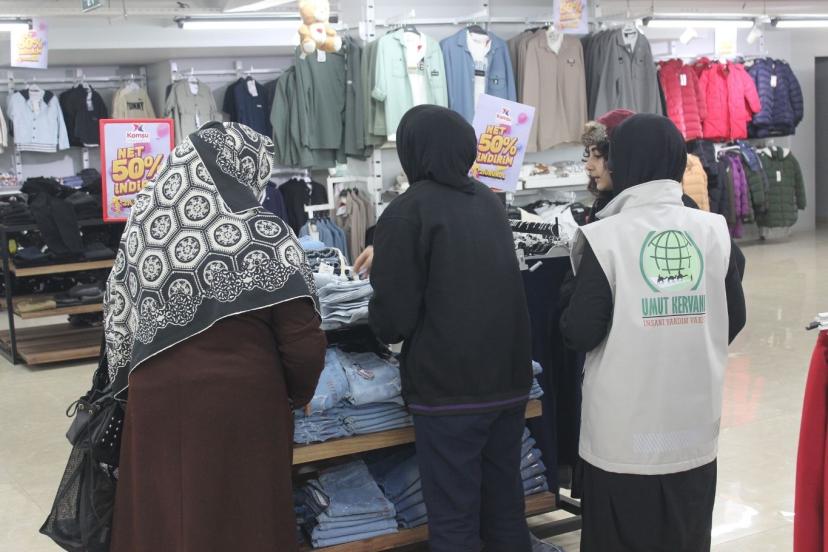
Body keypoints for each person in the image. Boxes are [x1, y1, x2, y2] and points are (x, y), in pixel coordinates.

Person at [106, 122, 327, 552]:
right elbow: (302, 341)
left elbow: (117, 322)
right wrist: (297, 394)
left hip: (152, 401)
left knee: (165, 517)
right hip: (240, 406)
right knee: (242, 519)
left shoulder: (144, 230)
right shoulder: (264, 233)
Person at [560, 114, 746, 551]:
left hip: (624, 439)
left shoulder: (605, 237)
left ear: (623, 162)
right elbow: (733, 317)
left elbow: (579, 331)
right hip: (693, 431)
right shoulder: (713, 230)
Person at [368, 105, 534, 552]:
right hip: (509, 380)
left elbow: (393, 320)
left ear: (412, 151)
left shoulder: (406, 212)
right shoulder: (489, 201)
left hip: (449, 389)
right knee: (504, 509)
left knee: (454, 519)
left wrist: (376, 317)